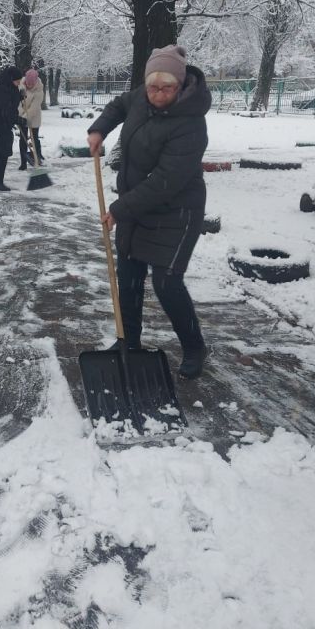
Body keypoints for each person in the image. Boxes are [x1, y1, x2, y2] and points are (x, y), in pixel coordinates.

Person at [87, 45, 210, 379]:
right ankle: (130, 343)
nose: (157, 94)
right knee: (127, 278)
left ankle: (195, 347)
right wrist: (100, 128)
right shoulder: (142, 96)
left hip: (176, 211)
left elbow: (164, 182)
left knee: (167, 282)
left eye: (167, 88)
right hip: (136, 206)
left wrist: (119, 208)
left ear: (181, 85)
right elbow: (119, 105)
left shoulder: (191, 124)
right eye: (153, 87)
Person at [18, 68, 44, 170]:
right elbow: (18, 103)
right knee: (23, 139)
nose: (29, 85)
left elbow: (34, 107)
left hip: (34, 117)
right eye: (28, 83)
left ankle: (37, 158)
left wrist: (25, 117)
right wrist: (21, 115)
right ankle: (23, 162)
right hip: (22, 116)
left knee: (34, 139)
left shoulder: (39, 91)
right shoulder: (21, 86)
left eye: (31, 84)